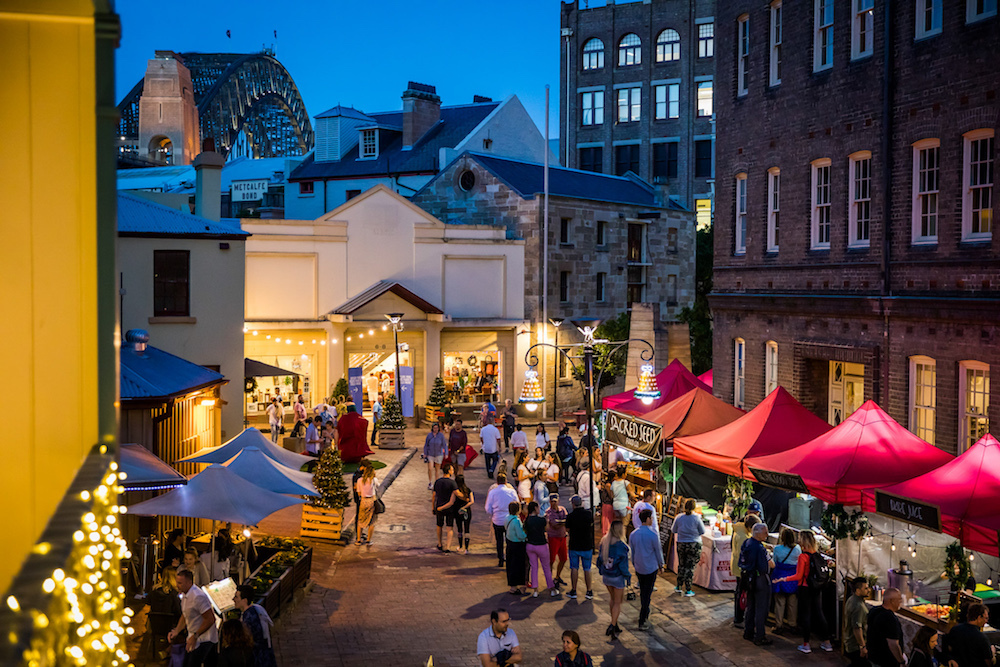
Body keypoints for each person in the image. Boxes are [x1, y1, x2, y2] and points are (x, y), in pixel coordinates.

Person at [774, 529, 833, 654]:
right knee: (820, 613)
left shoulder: (803, 556)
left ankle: (806, 644)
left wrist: (783, 579)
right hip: (817, 588)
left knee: (806, 615)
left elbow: (798, 576)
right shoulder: (818, 555)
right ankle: (827, 643)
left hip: (805, 588)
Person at [168, 568, 219, 666]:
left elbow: (210, 619)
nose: (177, 585)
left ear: (189, 582)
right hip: (193, 637)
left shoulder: (198, 597)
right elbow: (185, 614)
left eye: (180, 583)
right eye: (177, 582)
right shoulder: (184, 595)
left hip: (204, 639)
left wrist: (195, 636)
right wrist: (176, 631)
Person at [629, 508, 665, 630]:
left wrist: (634, 563)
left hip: (639, 567)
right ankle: (643, 616)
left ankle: (644, 613)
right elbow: (658, 551)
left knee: (644, 591)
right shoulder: (653, 534)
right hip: (650, 567)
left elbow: (632, 552)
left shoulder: (633, 534)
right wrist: (661, 565)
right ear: (648, 519)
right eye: (652, 518)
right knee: (646, 593)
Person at [740, 523, 775, 646]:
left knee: (751, 606)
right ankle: (760, 636)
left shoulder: (746, 543)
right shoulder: (760, 548)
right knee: (761, 609)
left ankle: (748, 631)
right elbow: (769, 565)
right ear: (758, 533)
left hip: (748, 579)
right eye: (765, 532)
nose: (767, 535)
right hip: (760, 579)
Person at [598, 519, 630, 640]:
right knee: (618, 602)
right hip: (617, 577)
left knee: (612, 599)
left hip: (607, 576)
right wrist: (628, 576)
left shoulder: (604, 542)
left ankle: (614, 623)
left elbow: (600, 560)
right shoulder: (621, 546)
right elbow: (623, 566)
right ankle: (612, 625)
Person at [233, 584, 276, 667]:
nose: (233, 599)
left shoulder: (250, 618)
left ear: (244, 600)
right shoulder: (256, 609)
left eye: (236, 597)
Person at [943, 602, 995, 667]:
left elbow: (948, 649)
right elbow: (989, 663)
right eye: (985, 618)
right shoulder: (981, 638)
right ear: (979, 618)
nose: (986, 621)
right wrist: (992, 652)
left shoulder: (955, 629)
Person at [730, 513, 760, 628]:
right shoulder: (743, 537)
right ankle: (739, 618)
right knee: (741, 593)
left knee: (739, 592)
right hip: (741, 569)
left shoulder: (740, 531)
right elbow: (746, 554)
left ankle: (739, 616)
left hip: (738, 567)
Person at [771, 527, 802, 636]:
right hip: (793, 578)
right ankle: (792, 624)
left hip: (779, 577)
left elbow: (774, 562)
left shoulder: (777, 549)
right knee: (792, 603)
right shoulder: (797, 548)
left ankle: (779, 625)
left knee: (779, 603)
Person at [672, 499, 705, 597]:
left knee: (681, 565)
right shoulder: (697, 518)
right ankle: (688, 589)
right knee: (690, 567)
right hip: (694, 544)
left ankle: (678, 586)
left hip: (681, 543)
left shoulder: (679, 517)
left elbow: (673, 530)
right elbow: (702, 531)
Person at [484, 473, 519, 567]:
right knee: (509, 540)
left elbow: (488, 508)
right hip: (509, 519)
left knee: (499, 540)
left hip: (497, 519)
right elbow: (517, 503)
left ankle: (500, 558)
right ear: (506, 481)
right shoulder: (511, 491)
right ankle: (509, 558)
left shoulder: (493, 492)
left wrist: (493, 514)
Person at [148, 567, 183, 658]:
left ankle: (167, 650)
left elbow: (148, 602)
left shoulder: (154, 591)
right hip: (170, 625)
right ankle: (170, 651)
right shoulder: (174, 594)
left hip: (155, 625)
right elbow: (179, 611)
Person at [565, 495, 595, 601]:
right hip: (587, 544)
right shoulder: (588, 514)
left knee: (574, 567)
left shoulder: (571, 516)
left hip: (574, 545)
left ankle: (574, 590)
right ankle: (589, 590)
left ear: (573, 504)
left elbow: (567, 529)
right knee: (587, 568)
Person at [525, 501, 557, 597]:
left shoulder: (527, 520)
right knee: (546, 567)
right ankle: (551, 588)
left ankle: (535, 590)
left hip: (530, 545)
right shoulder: (541, 520)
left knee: (534, 568)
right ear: (535, 508)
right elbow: (547, 529)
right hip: (541, 545)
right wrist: (547, 521)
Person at [868, 587, 906, 667]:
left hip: (874, 658)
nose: (900, 602)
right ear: (892, 601)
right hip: (886, 662)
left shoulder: (874, 611)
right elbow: (893, 644)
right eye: (899, 599)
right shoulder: (890, 619)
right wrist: (901, 661)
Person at [438, 474, 475, 554]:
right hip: (467, 512)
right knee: (467, 529)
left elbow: (451, 502)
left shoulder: (455, 491)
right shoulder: (468, 490)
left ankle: (460, 546)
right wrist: (465, 506)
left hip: (457, 512)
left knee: (460, 529)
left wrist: (441, 508)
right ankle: (467, 549)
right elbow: (472, 501)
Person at [844, 576, 871, 666]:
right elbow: (857, 628)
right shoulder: (858, 606)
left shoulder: (851, 599)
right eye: (866, 588)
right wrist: (862, 646)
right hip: (855, 646)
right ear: (858, 590)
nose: (869, 590)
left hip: (850, 642)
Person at [432, 462, 458, 552]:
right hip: (449, 508)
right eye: (452, 470)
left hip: (439, 506)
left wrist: (433, 507)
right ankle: (448, 546)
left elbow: (434, 496)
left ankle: (439, 543)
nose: (453, 471)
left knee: (439, 525)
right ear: (449, 471)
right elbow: (457, 493)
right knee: (449, 527)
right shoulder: (452, 483)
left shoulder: (438, 482)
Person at [504, 502, 528, 595]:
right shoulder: (516, 521)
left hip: (510, 544)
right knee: (519, 566)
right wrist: (526, 534)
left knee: (511, 565)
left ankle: (512, 586)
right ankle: (521, 586)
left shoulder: (507, 518)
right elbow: (521, 535)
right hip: (518, 545)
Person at [546, 493, 569, 587]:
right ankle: (549, 579)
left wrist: (560, 522)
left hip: (562, 537)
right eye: (552, 501)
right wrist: (562, 522)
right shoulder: (549, 512)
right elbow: (554, 524)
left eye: (555, 501)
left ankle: (557, 576)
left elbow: (565, 521)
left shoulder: (562, 509)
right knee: (551, 559)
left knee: (564, 558)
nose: (554, 503)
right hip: (553, 537)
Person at [354, 464, 379, 546]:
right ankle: (368, 540)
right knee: (372, 521)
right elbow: (378, 487)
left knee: (360, 520)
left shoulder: (359, 480)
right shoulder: (374, 480)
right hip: (371, 501)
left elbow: (359, 493)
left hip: (363, 501)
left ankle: (358, 540)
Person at [424, 422, 447, 489]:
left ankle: (436, 482)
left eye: (437, 428)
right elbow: (426, 445)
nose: (435, 429)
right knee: (430, 468)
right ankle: (430, 482)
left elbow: (444, 444)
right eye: (434, 428)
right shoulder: (429, 435)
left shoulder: (441, 435)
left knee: (437, 469)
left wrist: (446, 453)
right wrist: (425, 453)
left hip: (438, 454)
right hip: (430, 454)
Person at [599, 471, 616, 535]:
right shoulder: (608, 485)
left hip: (608, 505)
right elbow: (611, 496)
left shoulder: (610, 484)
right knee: (607, 521)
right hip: (608, 505)